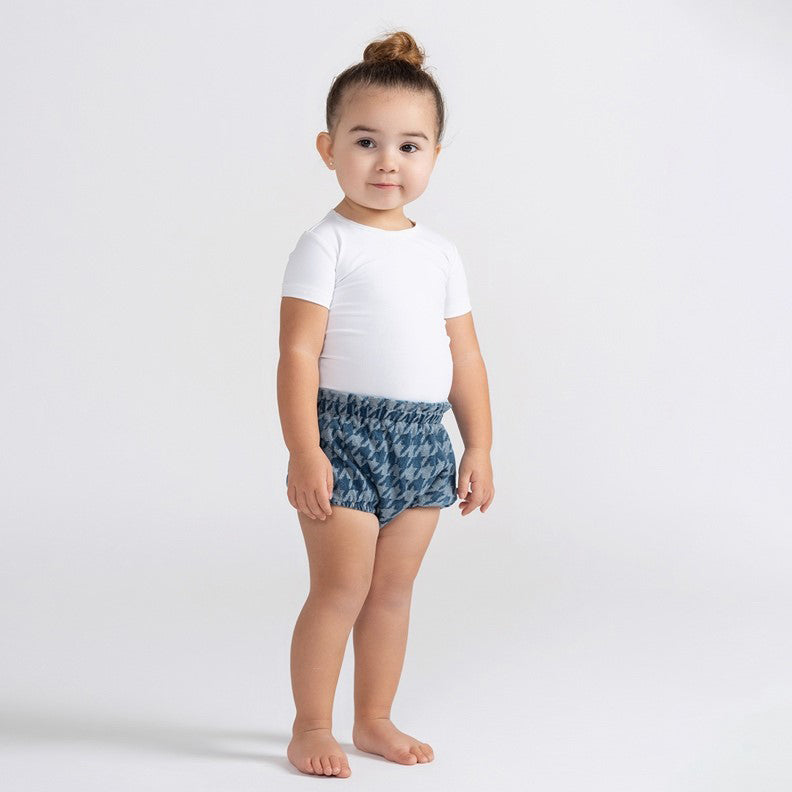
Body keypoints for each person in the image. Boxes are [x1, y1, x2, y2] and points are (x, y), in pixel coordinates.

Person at [277, 30, 495, 778]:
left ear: (434, 155)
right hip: (343, 439)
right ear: (328, 148)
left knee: (392, 594)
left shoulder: (441, 254)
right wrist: (305, 450)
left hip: (424, 441)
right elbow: (297, 355)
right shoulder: (325, 245)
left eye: (409, 146)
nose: (386, 162)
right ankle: (311, 725)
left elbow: (465, 357)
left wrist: (479, 445)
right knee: (341, 589)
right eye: (366, 141)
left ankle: (373, 719)